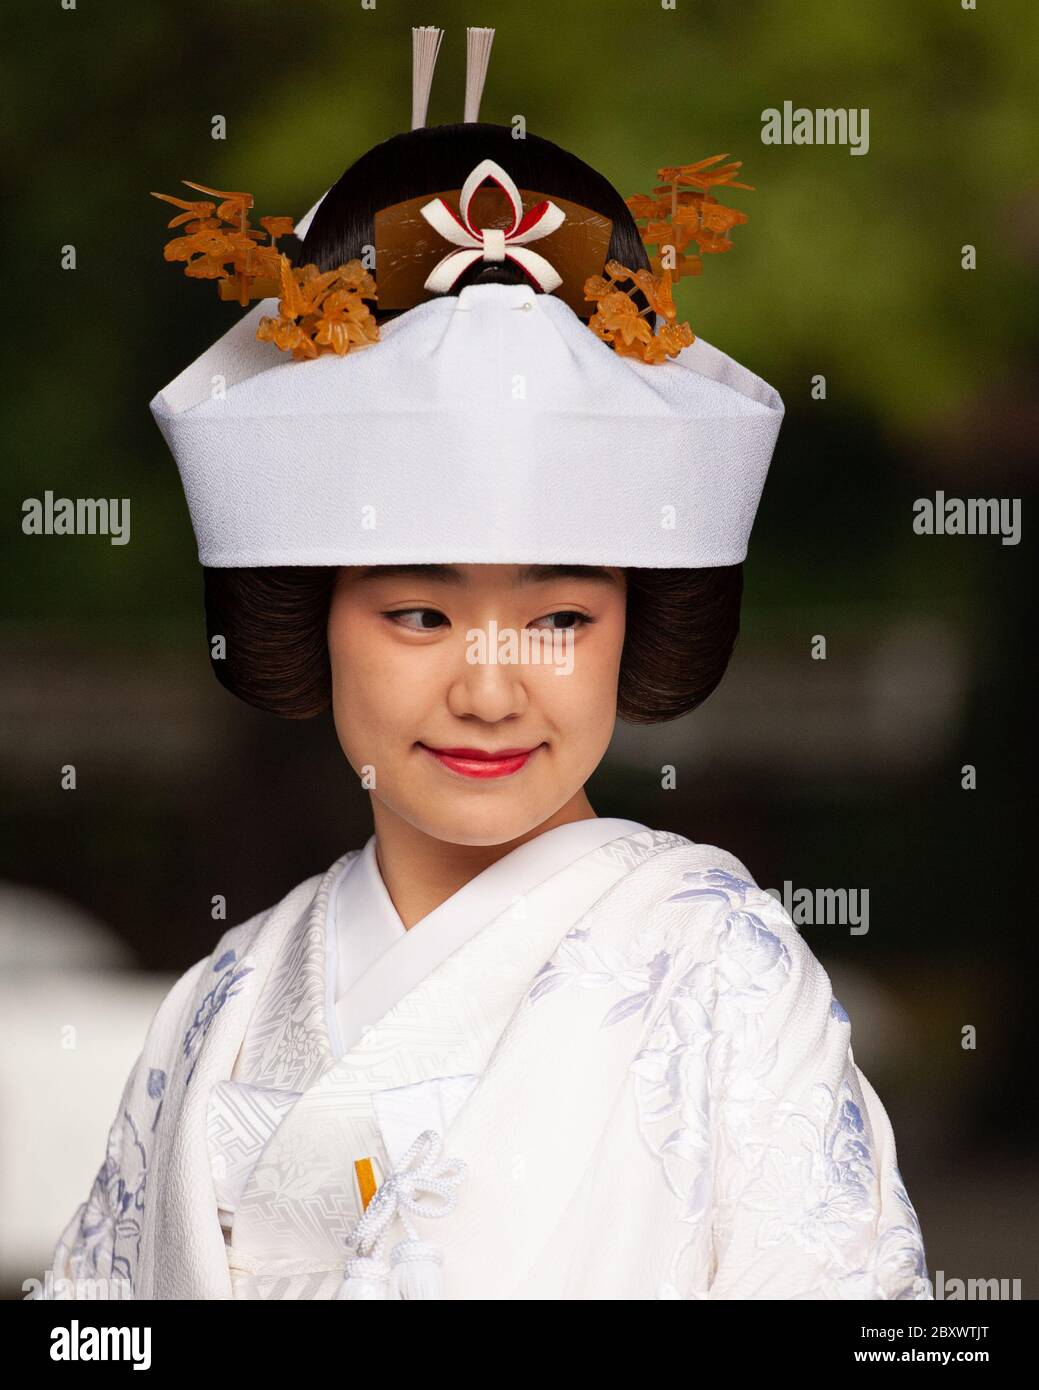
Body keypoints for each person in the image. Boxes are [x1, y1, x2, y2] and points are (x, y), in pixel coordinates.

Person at [40, 27, 930, 1301]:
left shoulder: (718, 970)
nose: (493, 687)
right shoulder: (223, 1000)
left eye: (562, 618)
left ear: (636, 624)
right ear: (312, 618)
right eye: (416, 615)